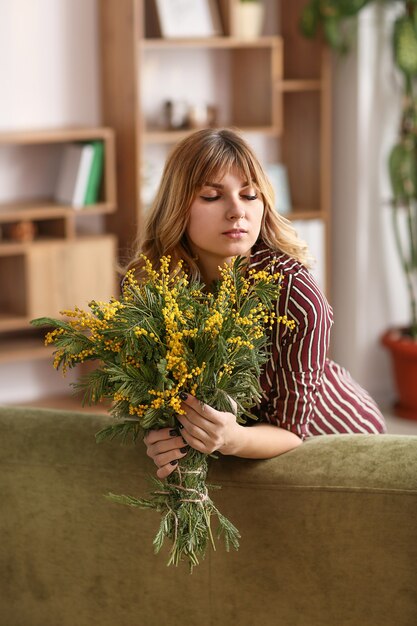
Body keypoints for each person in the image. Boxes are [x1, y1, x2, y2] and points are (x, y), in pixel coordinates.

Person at [126, 128, 386, 479]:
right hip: (248, 442)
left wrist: (232, 439)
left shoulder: (294, 292)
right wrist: (162, 436)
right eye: (211, 196)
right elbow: (157, 396)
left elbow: (291, 430)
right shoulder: (157, 289)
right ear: (177, 207)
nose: (237, 211)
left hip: (339, 439)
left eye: (250, 195)